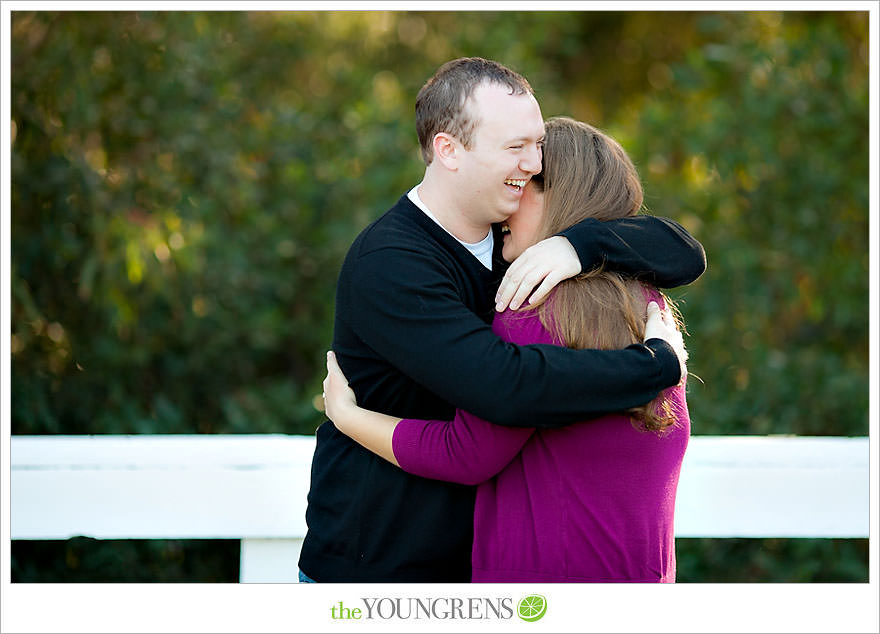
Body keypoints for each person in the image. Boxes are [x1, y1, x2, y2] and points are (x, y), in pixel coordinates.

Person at [298, 57, 705, 583]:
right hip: (380, 566)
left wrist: (580, 244)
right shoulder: (392, 262)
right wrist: (653, 365)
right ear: (448, 150)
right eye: (516, 148)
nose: (535, 163)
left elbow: (686, 254)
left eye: (536, 144)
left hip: (479, 568)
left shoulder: (518, 248)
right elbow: (504, 385)